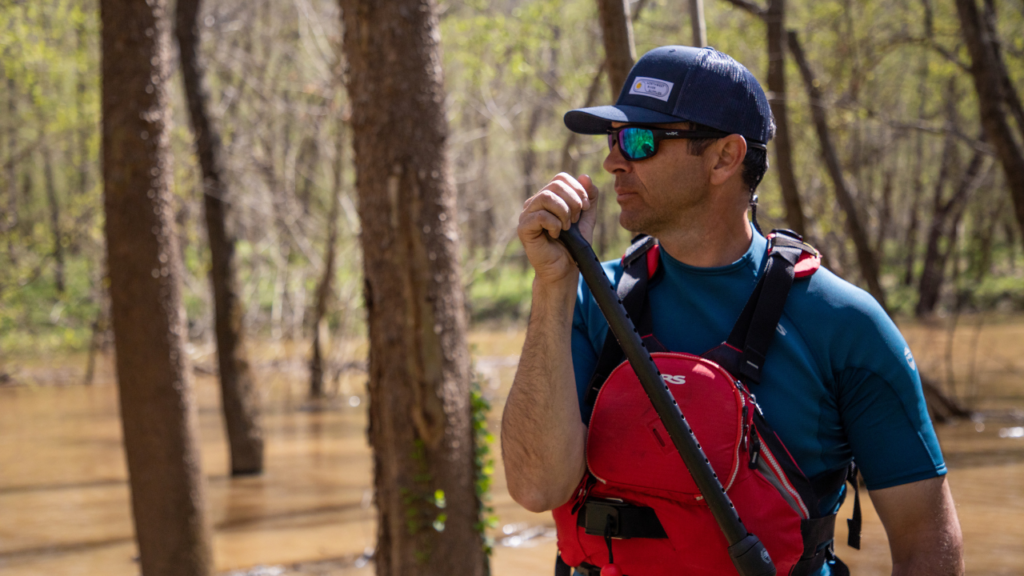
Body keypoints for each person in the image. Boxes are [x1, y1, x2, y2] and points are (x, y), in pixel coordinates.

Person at [501, 45, 964, 575]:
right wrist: (553, 286)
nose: (612, 161)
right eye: (613, 139)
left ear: (725, 157)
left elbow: (927, 544)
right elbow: (536, 487)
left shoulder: (844, 324)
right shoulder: (585, 299)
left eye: (640, 140)